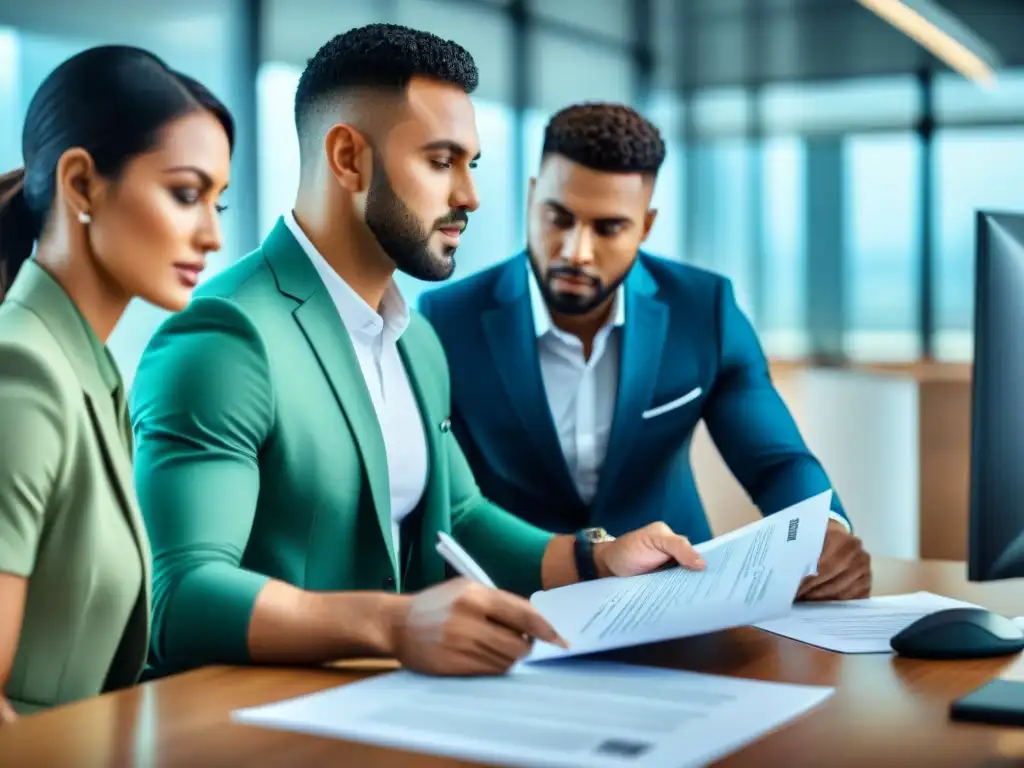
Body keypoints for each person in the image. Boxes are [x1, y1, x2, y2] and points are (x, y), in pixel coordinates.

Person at [129, 24, 706, 681]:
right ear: (348, 159)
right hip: (246, 722)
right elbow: (178, 596)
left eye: (472, 164)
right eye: (441, 161)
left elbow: (458, 516)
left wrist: (594, 558)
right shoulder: (226, 340)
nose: (470, 196)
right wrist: (395, 624)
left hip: (384, 705)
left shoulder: (417, 338)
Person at [418, 102, 871, 602]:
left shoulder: (704, 310)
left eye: (608, 227)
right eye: (558, 217)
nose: (575, 251)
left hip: (675, 598)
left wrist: (823, 530)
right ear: (531, 198)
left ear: (646, 226)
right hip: (517, 600)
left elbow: (776, 461)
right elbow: (449, 502)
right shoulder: (446, 319)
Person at [0, 45, 233, 721]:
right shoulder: (25, 372)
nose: (212, 235)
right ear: (80, 184)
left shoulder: (90, 372)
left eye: (219, 200)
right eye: (186, 195)